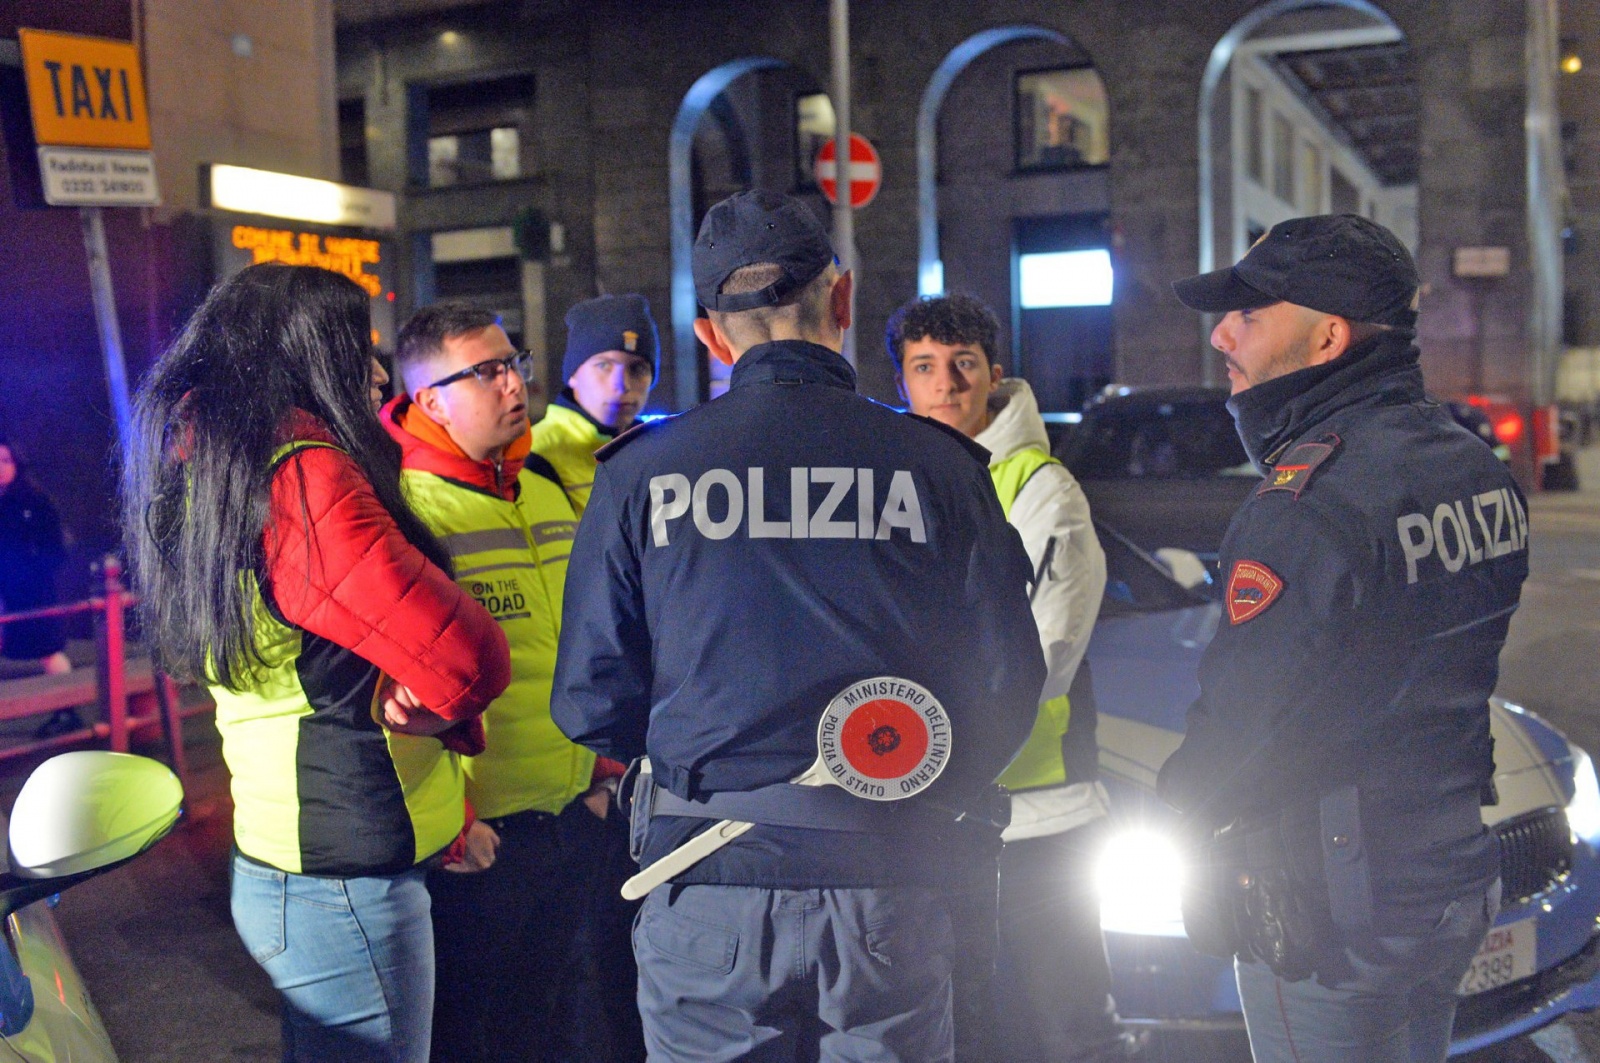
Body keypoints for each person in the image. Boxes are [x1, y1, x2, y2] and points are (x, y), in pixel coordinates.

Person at [551, 189, 1045, 1062]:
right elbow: (1009, 682)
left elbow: (591, 699)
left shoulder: (640, 476)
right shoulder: (940, 468)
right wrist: (912, 776)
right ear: (843, 301)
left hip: (705, 876)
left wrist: (706, 751)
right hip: (891, 876)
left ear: (711, 334)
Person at [1156, 215, 1528, 1063]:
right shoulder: (1472, 465)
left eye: (1250, 313)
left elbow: (1247, 719)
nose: (1222, 332)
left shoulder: (1307, 505)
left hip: (1336, 905)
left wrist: (1178, 806)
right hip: (1452, 869)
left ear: (1327, 336)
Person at [121, 263, 511, 1063]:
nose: (372, 371)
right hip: (346, 879)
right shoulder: (302, 477)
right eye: (353, 344)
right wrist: (445, 707)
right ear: (306, 354)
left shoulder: (209, 467)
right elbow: (471, 656)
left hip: (291, 857)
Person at [382, 301, 639, 1062]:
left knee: (552, 1022)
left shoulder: (547, 487)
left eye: (512, 362)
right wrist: (453, 819)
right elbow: (392, 693)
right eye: (484, 371)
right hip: (481, 844)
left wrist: (601, 766)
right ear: (430, 400)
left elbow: (586, 642)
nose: (511, 383)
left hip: (570, 816)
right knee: (474, 1035)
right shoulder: (406, 510)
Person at [889, 293, 1124, 1063]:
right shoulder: (897, 482)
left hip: (1042, 815)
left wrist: (929, 737)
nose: (946, 383)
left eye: (962, 364)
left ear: (995, 372)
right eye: (925, 366)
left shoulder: (1038, 487)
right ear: (904, 382)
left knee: (1068, 1030)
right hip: (946, 814)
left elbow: (1045, 655)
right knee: (976, 1031)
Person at [529, 294, 659, 515]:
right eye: (604, 365)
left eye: (637, 368)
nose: (622, 385)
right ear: (573, 374)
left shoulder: (657, 448)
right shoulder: (535, 455)